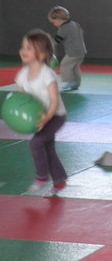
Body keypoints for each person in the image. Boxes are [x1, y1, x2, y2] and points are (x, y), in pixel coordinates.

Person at [16, 29, 69, 197]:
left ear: (42, 54)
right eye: (23, 47)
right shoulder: (23, 74)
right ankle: (59, 180)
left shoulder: (47, 75)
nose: (23, 50)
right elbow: (22, 101)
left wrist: (46, 118)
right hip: (40, 117)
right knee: (48, 148)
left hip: (55, 116)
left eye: (29, 48)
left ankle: (41, 177)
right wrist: (24, 119)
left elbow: (54, 101)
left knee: (36, 144)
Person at [47, 6, 87, 91]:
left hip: (73, 52)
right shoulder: (75, 24)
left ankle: (70, 81)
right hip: (82, 51)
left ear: (58, 20)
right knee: (75, 67)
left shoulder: (63, 28)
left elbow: (56, 41)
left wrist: (48, 43)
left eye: (53, 22)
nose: (54, 25)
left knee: (65, 65)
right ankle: (76, 83)